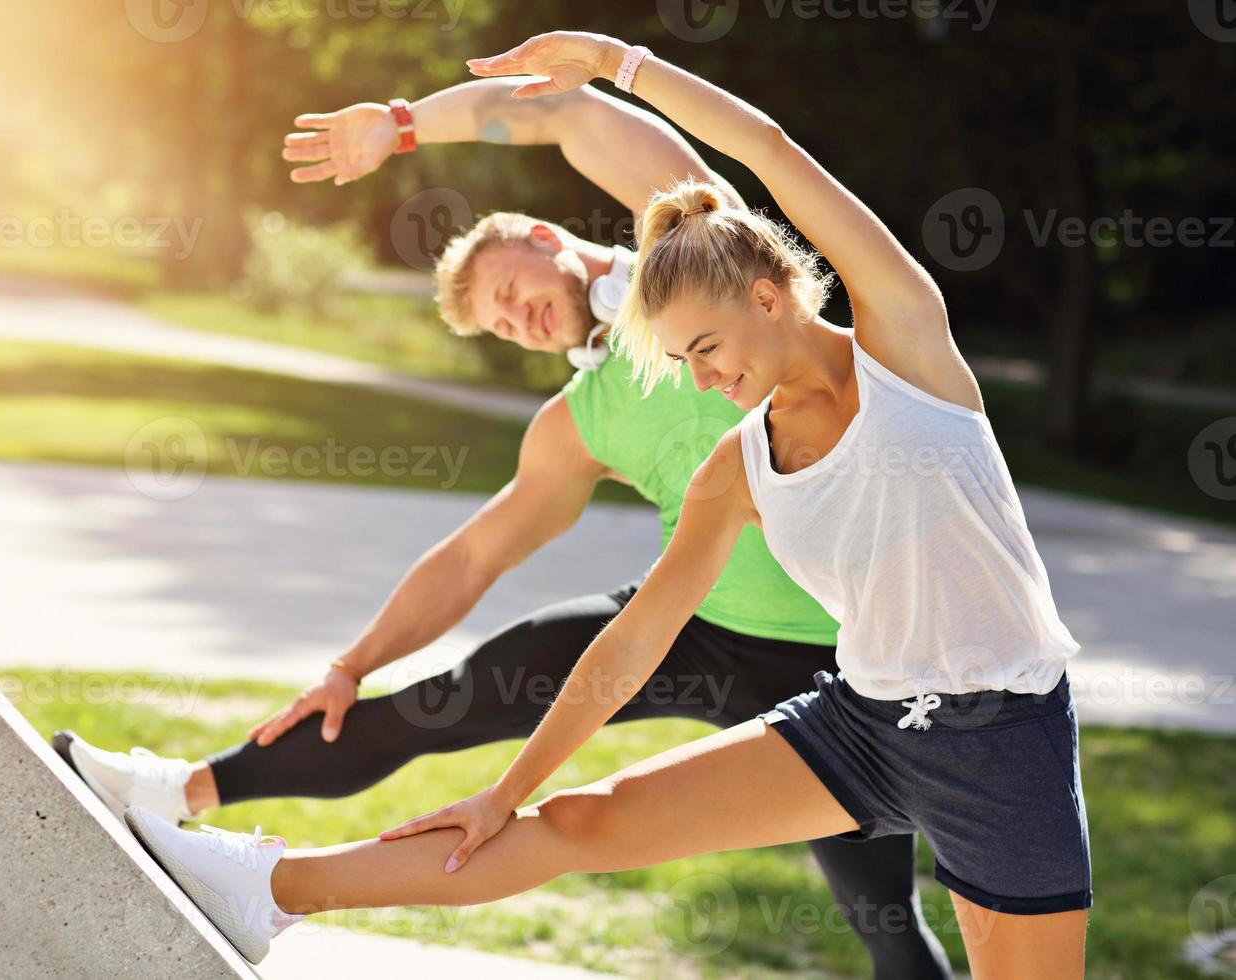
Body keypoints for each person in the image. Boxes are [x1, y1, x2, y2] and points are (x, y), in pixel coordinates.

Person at [68, 63, 973, 977]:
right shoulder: (580, 419)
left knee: (882, 915)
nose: (516, 318)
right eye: (500, 327)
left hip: (838, 656)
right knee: (432, 706)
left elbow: (570, 114)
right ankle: (176, 791)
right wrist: (350, 665)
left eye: (507, 287)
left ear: (545, 239)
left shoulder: (706, 261)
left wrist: (401, 123)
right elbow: (474, 556)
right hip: (684, 630)